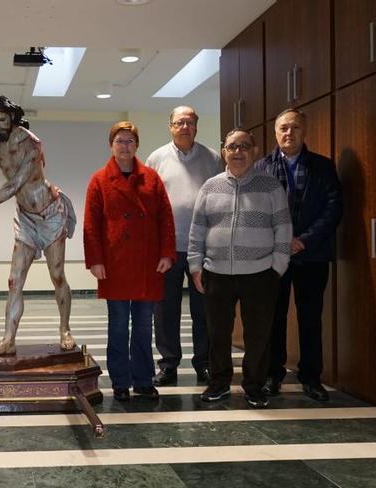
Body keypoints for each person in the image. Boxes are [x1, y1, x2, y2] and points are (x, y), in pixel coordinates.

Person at [188, 128, 291, 409]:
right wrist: (195, 266)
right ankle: (219, 383)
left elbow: (283, 229)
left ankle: (254, 386)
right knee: (217, 333)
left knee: (258, 335)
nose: (238, 152)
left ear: (254, 151)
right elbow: (197, 230)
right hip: (217, 273)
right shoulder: (210, 187)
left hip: (260, 274)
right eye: (232, 146)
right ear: (224, 152)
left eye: (244, 146)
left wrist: (277, 268)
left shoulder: (271, 187)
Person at [0, 95, 76, 355]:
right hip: (25, 217)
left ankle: (65, 329)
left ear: (12, 117)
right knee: (14, 281)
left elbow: (17, 183)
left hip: (50, 213)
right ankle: (8, 340)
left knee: (57, 276)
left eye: (2, 119)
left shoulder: (32, 143)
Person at [254, 108, 343, 401]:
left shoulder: (323, 166)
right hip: (272, 257)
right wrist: (281, 241)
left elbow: (333, 209)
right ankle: (272, 375)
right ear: (275, 133)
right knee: (273, 317)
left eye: (294, 128)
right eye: (283, 128)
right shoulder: (261, 169)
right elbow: (254, 213)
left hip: (312, 255)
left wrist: (303, 240)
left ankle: (311, 377)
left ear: (304, 131)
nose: (288, 133)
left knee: (310, 317)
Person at [84, 121, 175, 402]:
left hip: (147, 263)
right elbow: (91, 225)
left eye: (130, 141)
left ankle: (143, 379)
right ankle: (121, 381)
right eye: (120, 141)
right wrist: (95, 260)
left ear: (137, 145)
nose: (125, 146)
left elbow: (165, 219)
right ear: (111, 145)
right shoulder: (99, 179)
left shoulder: (151, 178)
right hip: (115, 264)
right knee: (119, 325)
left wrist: (166, 253)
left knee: (145, 325)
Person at [146, 105, 223, 386]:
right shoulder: (156, 159)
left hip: (203, 248)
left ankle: (203, 363)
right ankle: (168, 365)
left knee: (203, 310)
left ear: (196, 126)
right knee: (165, 311)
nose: (184, 127)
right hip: (166, 249)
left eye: (189, 122)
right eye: (179, 122)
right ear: (170, 126)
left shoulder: (213, 159)